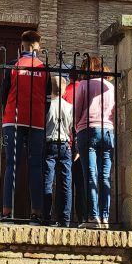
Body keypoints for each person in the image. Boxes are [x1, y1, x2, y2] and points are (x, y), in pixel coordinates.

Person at [0, 30, 49, 222]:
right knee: (36, 166)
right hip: (36, 121)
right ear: (38, 46)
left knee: (11, 166)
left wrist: (8, 109)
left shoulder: (13, 65)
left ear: (22, 46)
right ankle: (36, 213)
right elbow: (47, 97)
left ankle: (6, 212)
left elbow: (4, 92)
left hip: (13, 118)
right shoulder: (43, 67)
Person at [73, 55, 116, 229]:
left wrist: (77, 128)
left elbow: (78, 109)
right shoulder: (110, 87)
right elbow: (114, 110)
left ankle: (93, 217)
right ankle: (105, 218)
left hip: (87, 130)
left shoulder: (84, 85)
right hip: (108, 131)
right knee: (105, 176)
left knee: (90, 175)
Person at [43, 76, 75, 227]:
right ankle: (65, 219)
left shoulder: (47, 105)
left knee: (47, 182)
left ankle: (46, 216)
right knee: (65, 184)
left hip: (49, 143)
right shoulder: (69, 107)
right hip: (64, 144)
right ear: (63, 89)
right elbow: (72, 129)